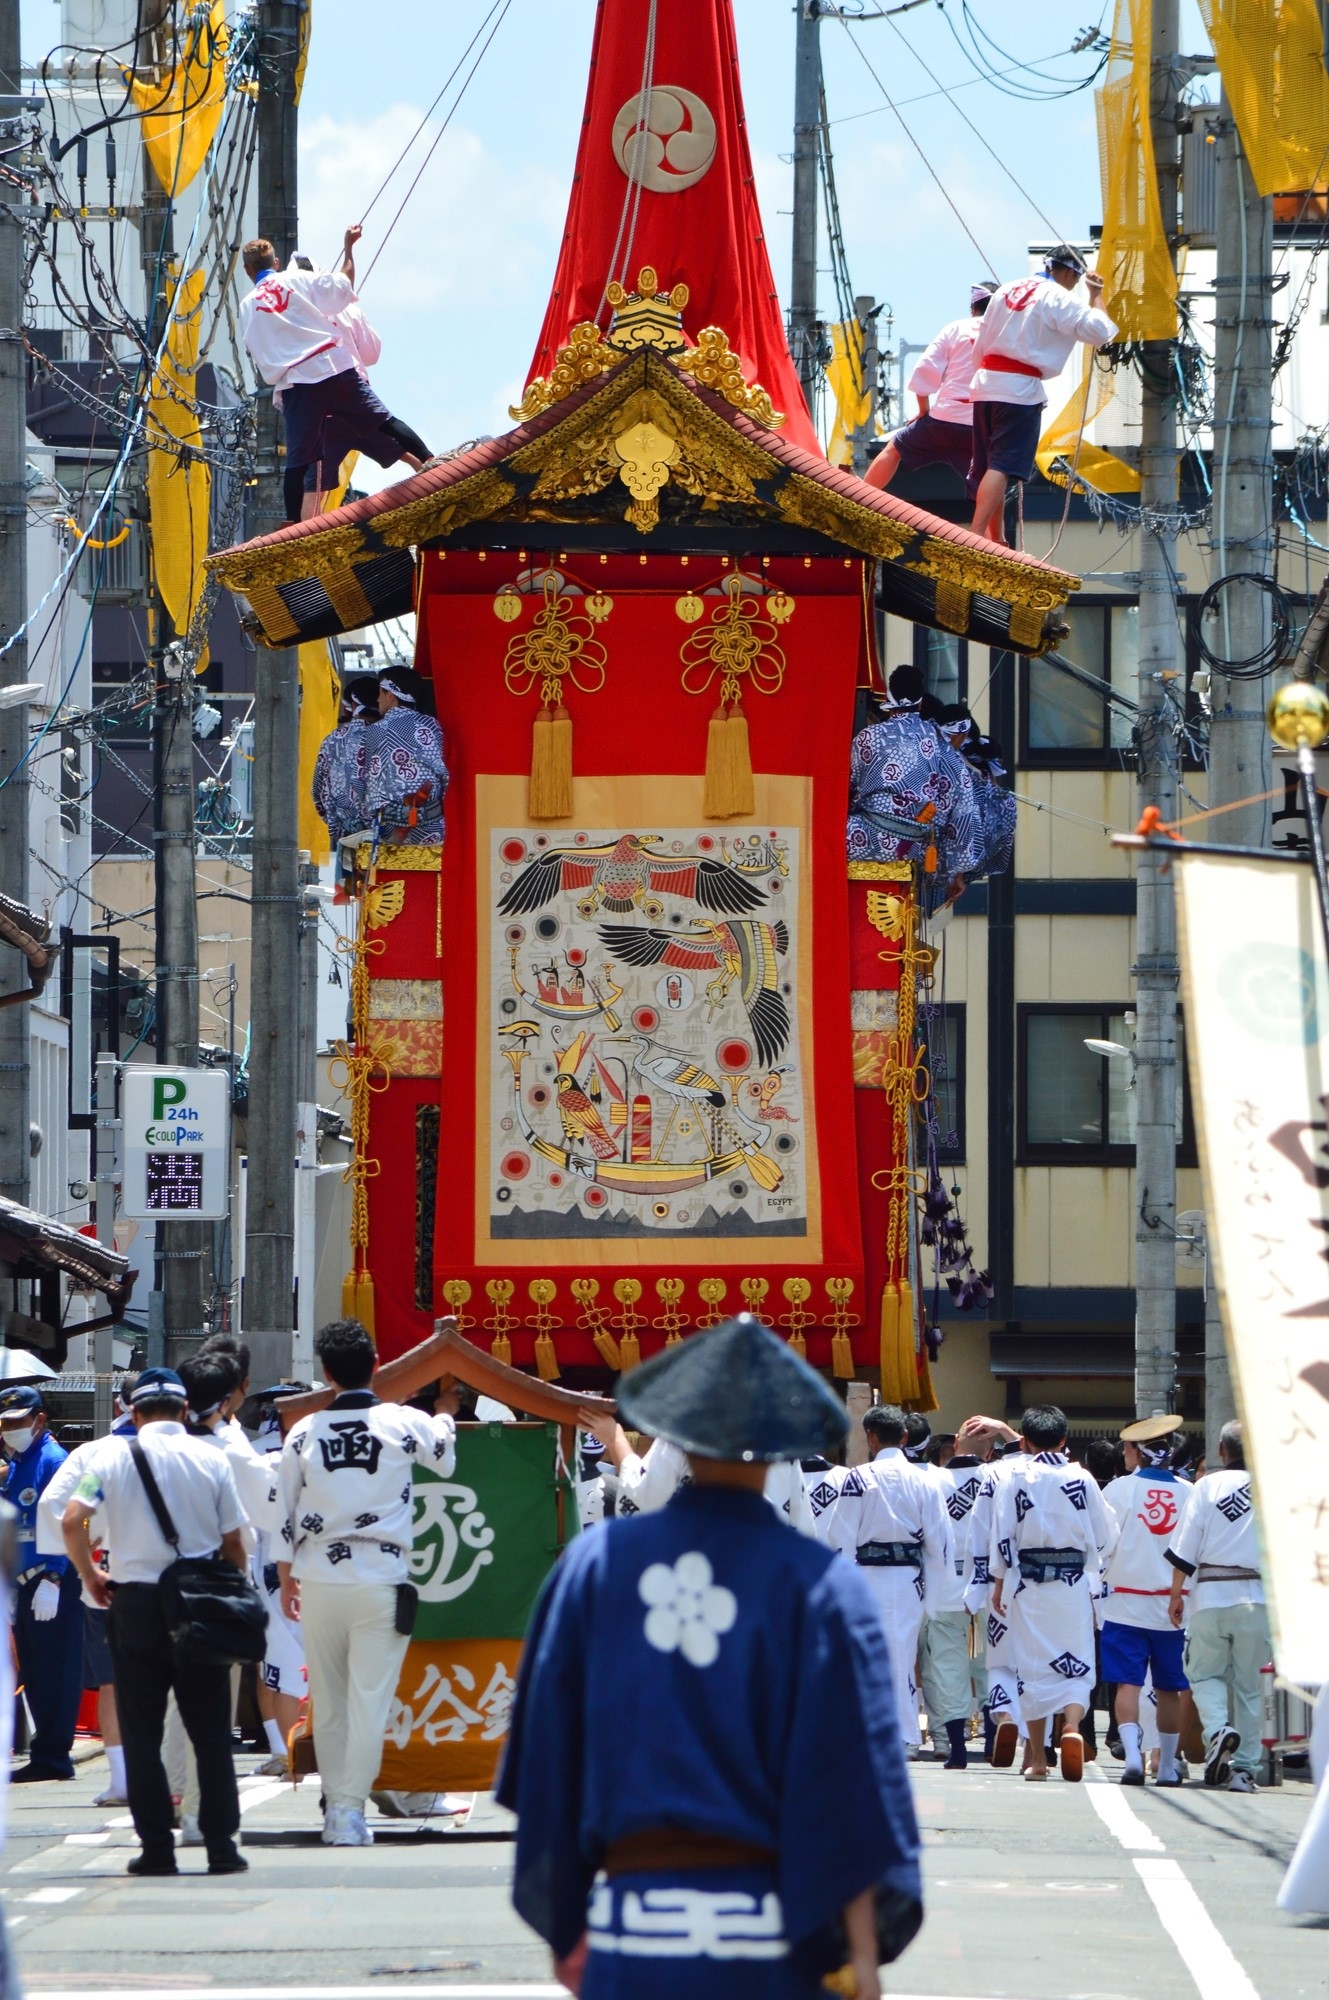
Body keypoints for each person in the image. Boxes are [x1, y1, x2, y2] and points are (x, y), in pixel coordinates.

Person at [496, 1316, 923, 2000]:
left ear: (678, 1435)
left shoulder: (596, 1565)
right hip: (782, 1933)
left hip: (631, 1930)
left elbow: (548, 1755)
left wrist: (567, 1923)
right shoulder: (819, 1583)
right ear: (782, 1437)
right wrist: (862, 1952)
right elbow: (854, 1777)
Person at [60, 1367, 250, 1876]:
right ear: (185, 1411)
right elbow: (235, 1541)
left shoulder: (108, 1459)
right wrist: (231, 1590)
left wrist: (90, 1571)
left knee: (142, 1729)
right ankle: (220, 1846)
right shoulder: (211, 1458)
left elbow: (70, 1518)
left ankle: (156, 1849)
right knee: (209, 1729)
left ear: (134, 1412)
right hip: (198, 1602)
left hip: (136, 1601)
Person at [276, 1316, 456, 1847]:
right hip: (380, 1573)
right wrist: (444, 1412)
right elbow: (444, 1458)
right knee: (368, 1699)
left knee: (328, 1700)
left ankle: (339, 1809)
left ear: (326, 1373)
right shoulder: (402, 1422)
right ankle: (349, 1809)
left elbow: (283, 1516)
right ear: (376, 1366)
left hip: (319, 1576)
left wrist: (286, 1579)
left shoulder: (304, 1431)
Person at [238, 227, 431, 521]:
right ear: (275, 263)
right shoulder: (302, 280)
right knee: (386, 422)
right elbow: (342, 289)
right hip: (334, 370)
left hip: (299, 385)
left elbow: (257, 348)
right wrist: (349, 248)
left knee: (300, 465)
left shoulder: (248, 305)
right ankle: (433, 463)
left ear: (247, 270)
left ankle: (292, 527)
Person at [988, 1404, 1116, 1782]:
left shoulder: (1014, 1478)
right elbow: (1107, 1535)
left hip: (1029, 1585)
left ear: (1024, 1442)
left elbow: (1002, 1535)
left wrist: (998, 1584)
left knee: (1032, 1666)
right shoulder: (1082, 1478)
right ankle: (1073, 1725)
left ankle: (1039, 1759)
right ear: (1064, 1440)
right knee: (1076, 1659)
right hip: (1073, 1585)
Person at [824, 1404, 952, 1756]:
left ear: (870, 1436)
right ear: (905, 1436)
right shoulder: (925, 1479)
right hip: (909, 1579)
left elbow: (841, 1537)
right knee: (902, 1654)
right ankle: (904, 1735)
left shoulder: (858, 1478)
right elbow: (939, 1542)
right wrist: (934, 1595)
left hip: (865, 1576)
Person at [967, 245, 1117, 544]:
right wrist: (1095, 294)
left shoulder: (1007, 288)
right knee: (1002, 465)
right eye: (1075, 278)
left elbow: (982, 339)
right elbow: (1101, 332)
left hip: (985, 380)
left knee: (988, 465)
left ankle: (995, 536)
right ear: (1069, 272)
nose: (1074, 283)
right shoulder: (1059, 296)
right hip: (1018, 387)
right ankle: (976, 535)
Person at [1165, 1419, 1269, 1793]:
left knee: (1203, 1675)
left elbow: (1185, 1547)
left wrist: (1176, 1595)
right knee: (1250, 1687)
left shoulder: (1207, 1485)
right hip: (1258, 1598)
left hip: (1210, 1595)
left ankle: (1218, 1730)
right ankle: (1243, 1770)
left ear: (1222, 1452)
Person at [1099, 1414, 1193, 1788]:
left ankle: (1133, 1759)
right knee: (1170, 1686)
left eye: (1127, 1447)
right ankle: (1167, 1765)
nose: (1123, 1452)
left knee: (1128, 1684)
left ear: (1138, 1452)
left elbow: (1103, 1544)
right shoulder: (1189, 1492)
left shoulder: (1119, 1490)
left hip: (1126, 1602)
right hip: (1174, 1603)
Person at [1, 1386, 84, 1783]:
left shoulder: (54, 1460)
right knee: (34, 1670)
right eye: (5, 1424)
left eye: (18, 1422)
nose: (10, 1430)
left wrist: (54, 1574)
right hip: (24, 1583)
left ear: (39, 1420)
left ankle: (54, 1756)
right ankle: (46, 1752)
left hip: (52, 1582)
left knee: (55, 1669)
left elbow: (69, 1520)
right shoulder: (18, 1463)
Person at [864, 283, 998, 493]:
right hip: (979, 426)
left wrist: (923, 410)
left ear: (973, 308)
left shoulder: (956, 328)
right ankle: (986, 528)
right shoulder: (1004, 334)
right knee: (988, 490)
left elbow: (925, 369)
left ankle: (860, 497)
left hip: (943, 419)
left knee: (894, 449)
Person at [918, 1419, 986, 1770]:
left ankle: (956, 1745)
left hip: (945, 1586)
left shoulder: (931, 1480)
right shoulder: (999, 1477)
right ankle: (994, 1733)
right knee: (989, 1663)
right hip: (989, 1586)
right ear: (988, 1450)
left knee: (948, 1667)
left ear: (955, 1445)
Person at [361, 670, 449, 845]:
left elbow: (368, 783)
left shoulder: (374, 731)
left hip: (391, 832)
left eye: (380, 694)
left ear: (391, 695)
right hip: (433, 828)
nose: (377, 700)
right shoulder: (432, 726)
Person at [312, 674, 381, 850]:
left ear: (354, 705)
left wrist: (337, 824)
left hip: (348, 837)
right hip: (392, 834)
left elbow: (317, 793)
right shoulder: (394, 736)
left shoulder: (332, 741)